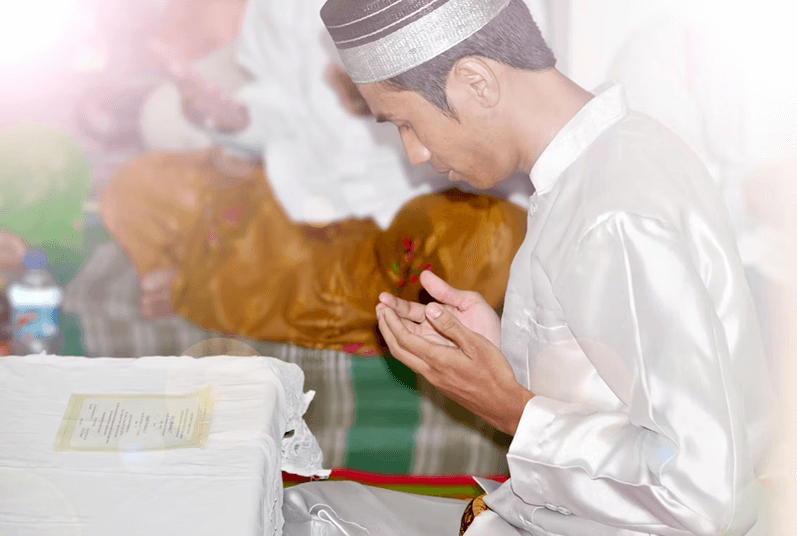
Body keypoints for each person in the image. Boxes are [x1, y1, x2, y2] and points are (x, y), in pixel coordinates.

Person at [279, 0, 775, 534]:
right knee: (312, 507)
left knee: (308, 517)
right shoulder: (609, 158)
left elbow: (700, 493)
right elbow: (618, 387)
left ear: (476, 82)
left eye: (407, 123)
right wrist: (502, 356)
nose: (415, 153)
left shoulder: (612, 214)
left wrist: (512, 410)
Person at [100, 0, 533, 354]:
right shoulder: (277, 8)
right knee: (136, 183)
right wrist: (231, 120)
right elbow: (278, 110)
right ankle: (381, 318)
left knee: (493, 239)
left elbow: (492, 122)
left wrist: (388, 101)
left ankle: (198, 282)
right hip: (298, 205)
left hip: (415, 207)